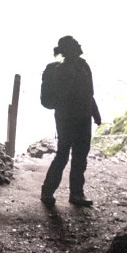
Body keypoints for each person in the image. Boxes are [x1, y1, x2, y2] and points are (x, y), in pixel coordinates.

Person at [38, 35, 101, 207]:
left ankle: (77, 194)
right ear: (69, 49)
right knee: (63, 155)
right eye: (75, 44)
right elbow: (63, 95)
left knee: (80, 156)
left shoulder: (83, 66)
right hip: (67, 118)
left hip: (83, 117)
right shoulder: (60, 70)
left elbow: (89, 93)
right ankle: (47, 191)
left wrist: (95, 114)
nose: (79, 45)